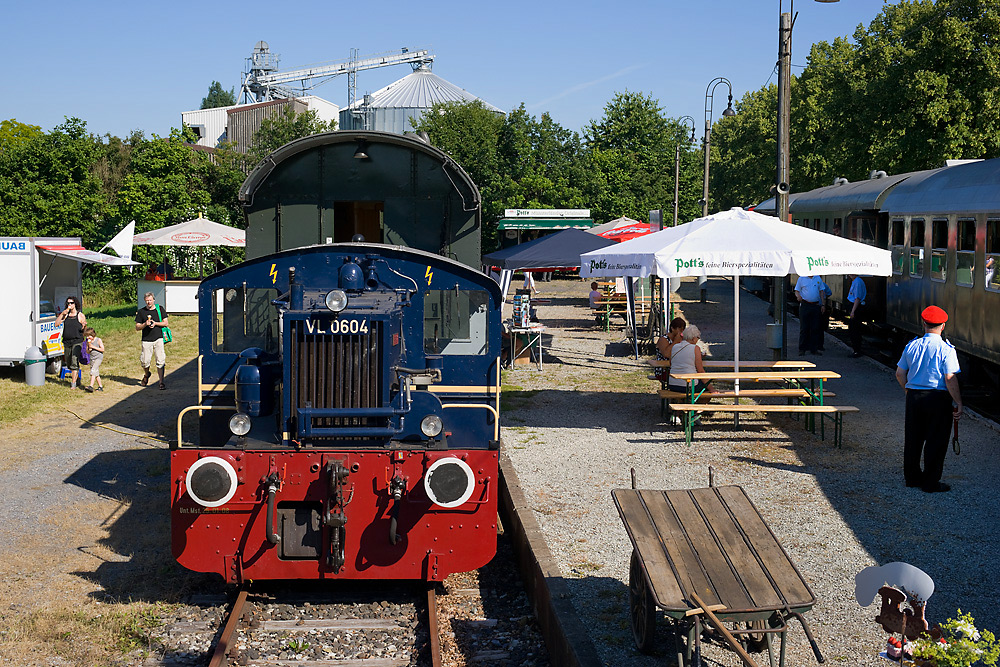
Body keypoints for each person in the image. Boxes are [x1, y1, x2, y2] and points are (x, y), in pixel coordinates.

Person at [895, 305, 962, 493]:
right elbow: (950, 378)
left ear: (923, 323)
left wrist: (908, 391)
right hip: (938, 399)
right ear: (943, 325)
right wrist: (958, 402)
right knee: (936, 440)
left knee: (913, 438)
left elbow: (900, 373)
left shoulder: (912, 346)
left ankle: (912, 478)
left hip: (914, 397)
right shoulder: (946, 349)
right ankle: (930, 482)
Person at [666, 324, 719, 400]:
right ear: (694, 338)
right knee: (705, 387)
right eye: (698, 338)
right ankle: (698, 408)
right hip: (687, 386)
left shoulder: (675, 346)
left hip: (672, 384)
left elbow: (671, 364)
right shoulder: (695, 348)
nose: (698, 340)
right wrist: (711, 389)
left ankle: (681, 408)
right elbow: (700, 371)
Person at [135, 292, 169, 390]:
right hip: (146, 340)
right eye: (147, 301)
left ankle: (161, 382)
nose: (149, 302)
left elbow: (165, 323)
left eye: (150, 300)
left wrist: (155, 323)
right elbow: (137, 327)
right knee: (145, 361)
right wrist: (145, 324)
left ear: (153, 300)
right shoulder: (141, 312)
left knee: (160, 360)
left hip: (159, 338)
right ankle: (147, 374)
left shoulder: (160, 309)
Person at [55, 296, 87, 389]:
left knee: (74, 361)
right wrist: (62, 314)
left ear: (75, 304)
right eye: (68, 303)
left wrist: (84, 326)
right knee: (69, 362)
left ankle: (73, 384)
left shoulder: (80, 315)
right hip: (66, 341)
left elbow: (84, 329)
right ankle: (77, 379)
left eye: (71, 303)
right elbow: (56, 324)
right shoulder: (66, 315)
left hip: (77, 341)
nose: (70, 305)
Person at [794, 274, 831, 355]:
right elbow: (797, 290)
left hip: (816, 305)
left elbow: (821, 291)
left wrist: (823, 304)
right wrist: (798, 296)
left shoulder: (818, 278)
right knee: (804, 328)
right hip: (805, 305)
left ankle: (814, 349)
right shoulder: (802, 278)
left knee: (815, 328)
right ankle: (802, 349)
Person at [653, 317, 686, 384]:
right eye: (679, 329)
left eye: (683, 329)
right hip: (663, 370)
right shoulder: (663, 339)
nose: (681, 331)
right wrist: (675, 342)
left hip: (678, 368)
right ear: (672, 328)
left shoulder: (681, 339)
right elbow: (666, 354)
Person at [846, 274, 868, 358]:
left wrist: (853, 311)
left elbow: (857, 298)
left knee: (855, 330)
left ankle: (857, 351)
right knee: (853, 330)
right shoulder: (855, 281)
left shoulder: (858, 282)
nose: (850, 274)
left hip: (857, 308)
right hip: (855, 307)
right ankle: (855, 350)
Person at [83, 327, 105, 392]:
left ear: (93, 335)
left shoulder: (98, 340)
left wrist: (94, 347)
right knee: (96, 373)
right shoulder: (88, 342)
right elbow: (87, 351)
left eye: (89, 336)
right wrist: (89, 349)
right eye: (86, 336)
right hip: (92, 358)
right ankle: (100, 386)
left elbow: (102, 349)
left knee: (93, 370)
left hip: (98, 358)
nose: (88, 337)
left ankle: (91, 386)